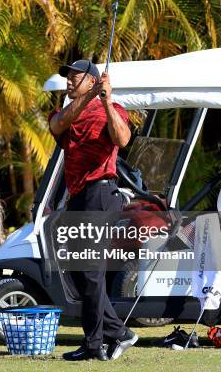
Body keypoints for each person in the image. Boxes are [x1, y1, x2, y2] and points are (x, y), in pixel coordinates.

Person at [48, 59, 137, 361]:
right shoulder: (68, 112)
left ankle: (94, 343)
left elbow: (122, 138)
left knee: (90, 271)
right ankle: (119, 333)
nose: (69, 81)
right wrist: (89, 95)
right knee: (79, 272)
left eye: (76, 77)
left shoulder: (112, 108)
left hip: (99, 194)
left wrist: (107, 100)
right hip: (78, 199)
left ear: (92, 80)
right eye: (68, 78)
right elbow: (58, 124)